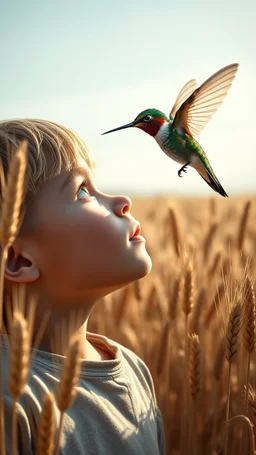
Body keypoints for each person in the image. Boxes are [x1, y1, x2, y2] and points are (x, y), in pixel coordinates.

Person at [0, 119, 165, 454]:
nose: (122, 200)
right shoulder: (11, 399)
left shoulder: (134, 370)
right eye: (83, 191)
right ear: (19, 260)